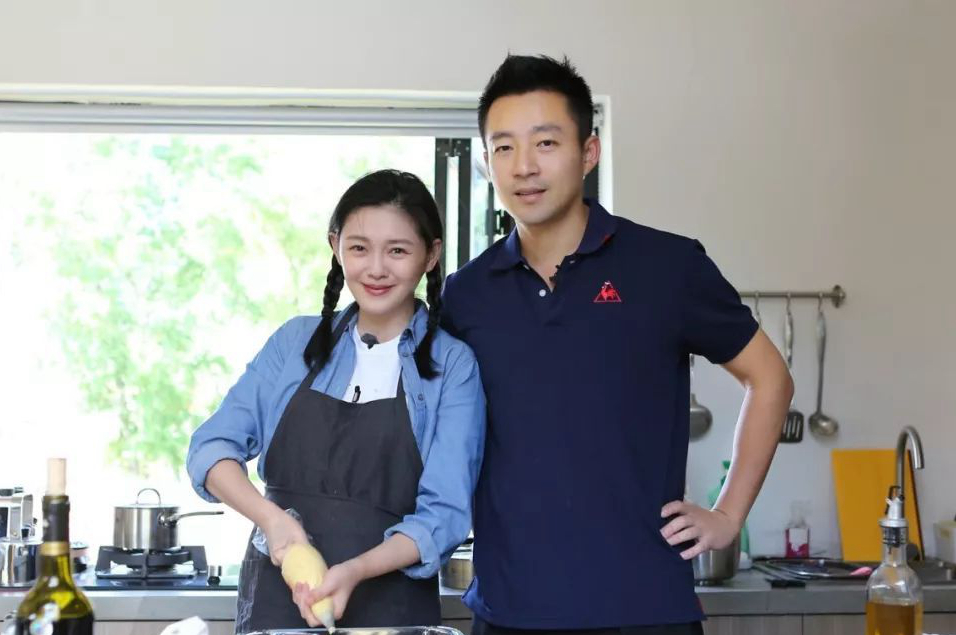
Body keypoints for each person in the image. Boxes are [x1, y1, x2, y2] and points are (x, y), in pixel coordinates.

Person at [441, 55, 794, 634]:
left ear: (589, 152)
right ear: (486, 162)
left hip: (645, 610)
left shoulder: (668, 267)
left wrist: (728, 514)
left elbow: (770, 377)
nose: (524, 166)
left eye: (546, 143)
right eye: (503, 147)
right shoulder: (466, 294)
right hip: (510, 611)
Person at [187, 169, 485, 633]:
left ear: (431, 255)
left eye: (398, 250)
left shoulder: (453, 366)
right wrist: (274, 522)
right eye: (359, 248)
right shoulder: (294, 343)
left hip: (392, 611)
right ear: (335, 246)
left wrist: (356, 570)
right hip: (277, 602)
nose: (376, 269)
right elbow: (211, 450)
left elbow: (443, 515)